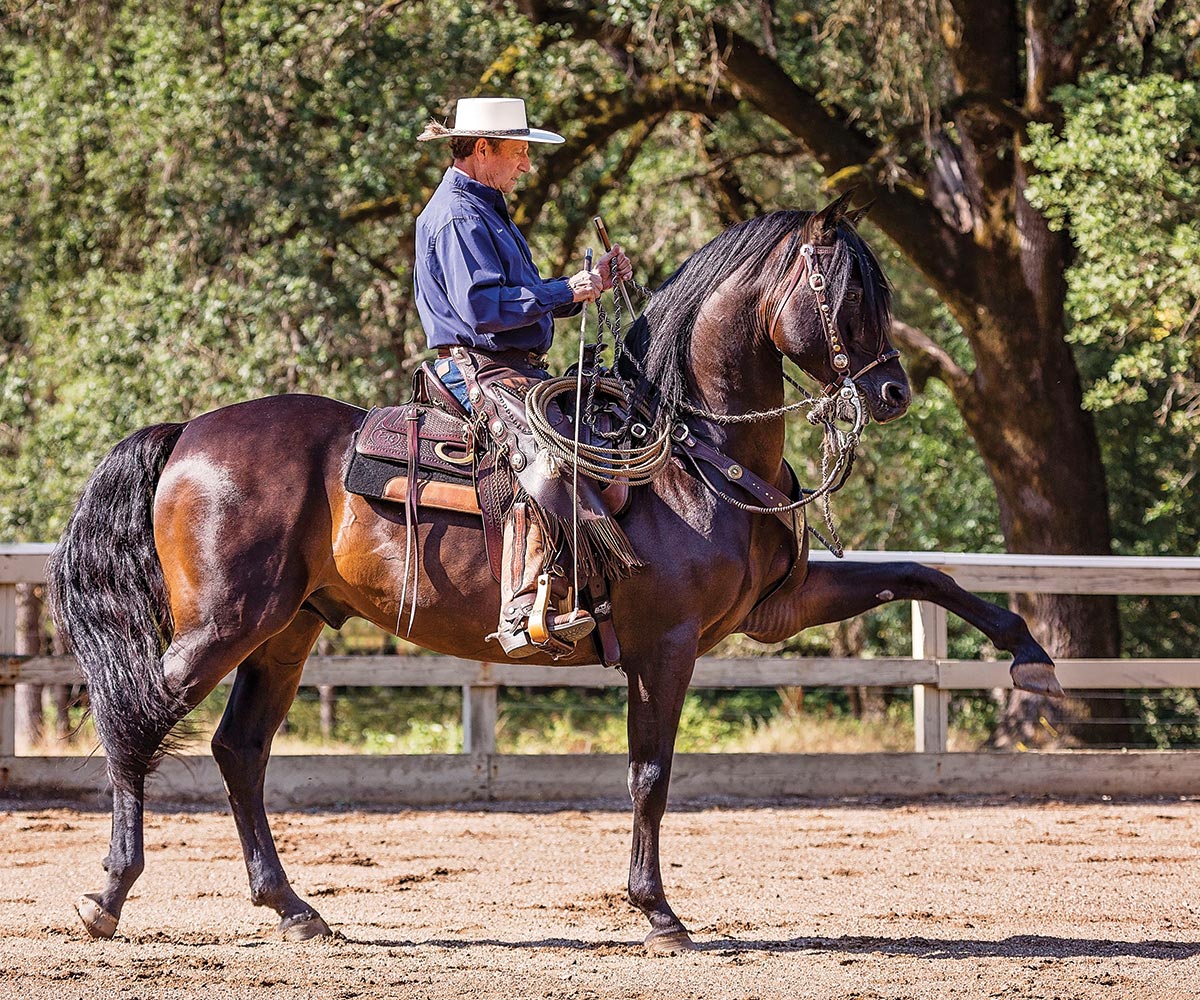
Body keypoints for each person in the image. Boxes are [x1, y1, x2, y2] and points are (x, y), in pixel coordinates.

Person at [414, 96, 635, 659]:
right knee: (552, 453)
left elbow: (519, 301)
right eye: (518, 152)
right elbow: (484, 309)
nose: (527, 165)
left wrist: (588, 284)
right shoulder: (462, 215)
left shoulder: (484, 209)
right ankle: (521, 606)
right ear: (482, 149)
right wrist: (569, 289)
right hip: (479, 370)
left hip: (508, 366)